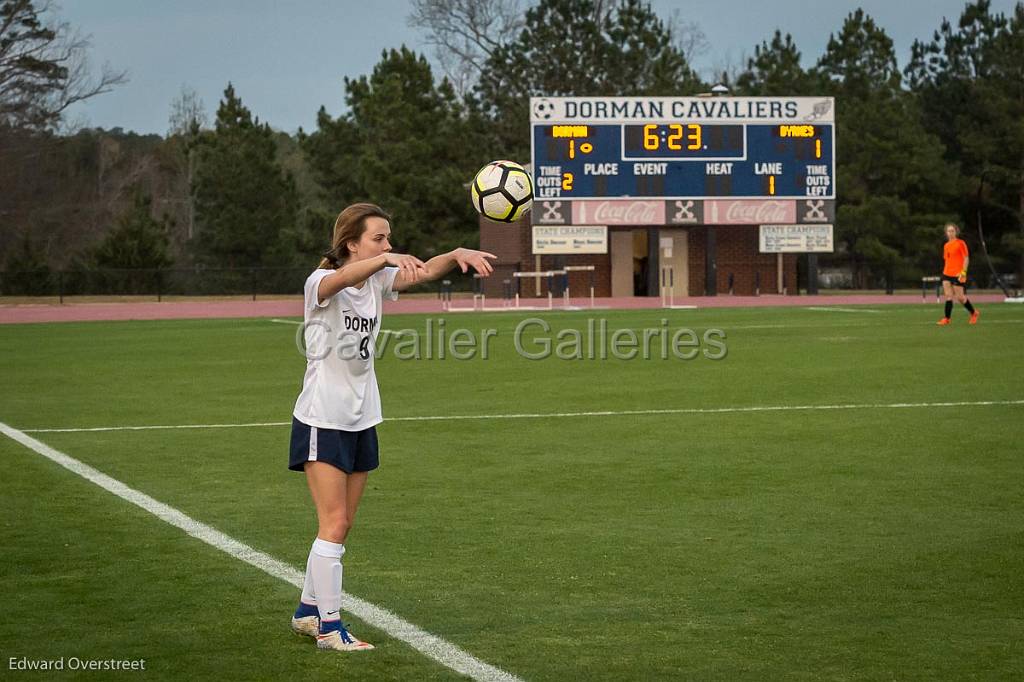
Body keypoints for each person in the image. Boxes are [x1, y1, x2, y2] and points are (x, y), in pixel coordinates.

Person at [287, 203, 496, 651]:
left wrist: (454, 253)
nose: (388, 246)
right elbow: (339, 279)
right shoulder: (320, 284)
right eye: (379, 238)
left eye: (388, 239)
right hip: (322, 417)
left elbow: (418, 273)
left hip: (363, 417)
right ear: (352, 244)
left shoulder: (378, 278)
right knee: (335, 522)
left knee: (342, 525)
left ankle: (308, 611)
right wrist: (382, 260)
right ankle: (330, 629)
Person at [937, 223, 979, 326]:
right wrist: (945, 271)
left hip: (958, 274)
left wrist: (963, 272)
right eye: (948, 231)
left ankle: (974, 313)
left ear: (956, 232)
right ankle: (947, 319)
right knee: (948, 296)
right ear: (946, 233)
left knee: (960, 297)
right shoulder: (946, 245)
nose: (950, 233)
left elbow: (966, 258)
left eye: (952, 231)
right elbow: (947, 260)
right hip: (946, 273)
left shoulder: (961, 243)